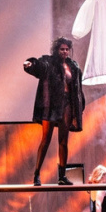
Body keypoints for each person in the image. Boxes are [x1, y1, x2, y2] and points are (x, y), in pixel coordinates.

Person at [23, 37, 85, 186]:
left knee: (63, 141)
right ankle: (37, 175)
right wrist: (31, 64)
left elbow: (77, 88)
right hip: (51, 105)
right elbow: (40, 66)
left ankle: (62, 176)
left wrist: (80, 104)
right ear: (56, 50)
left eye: (66, 49)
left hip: (67, 104)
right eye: (61, 49)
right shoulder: (49, 62)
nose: (64, 52)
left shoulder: (73, 66)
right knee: (46, 139)